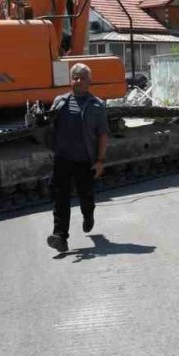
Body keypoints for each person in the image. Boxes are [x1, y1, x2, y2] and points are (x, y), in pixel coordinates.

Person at [46, 63, 110, 254]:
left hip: (85, 160)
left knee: (86, 196)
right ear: (70, 80)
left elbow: (103, 134)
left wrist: (100, 160)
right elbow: (49, 127)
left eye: (82, 77)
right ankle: (60, 237)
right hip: (62, 159)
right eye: (75, 77)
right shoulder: (59, 102)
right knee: (60, 199)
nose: (78, 81)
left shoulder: (97, 105)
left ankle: (88, 215)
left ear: (89, 80)